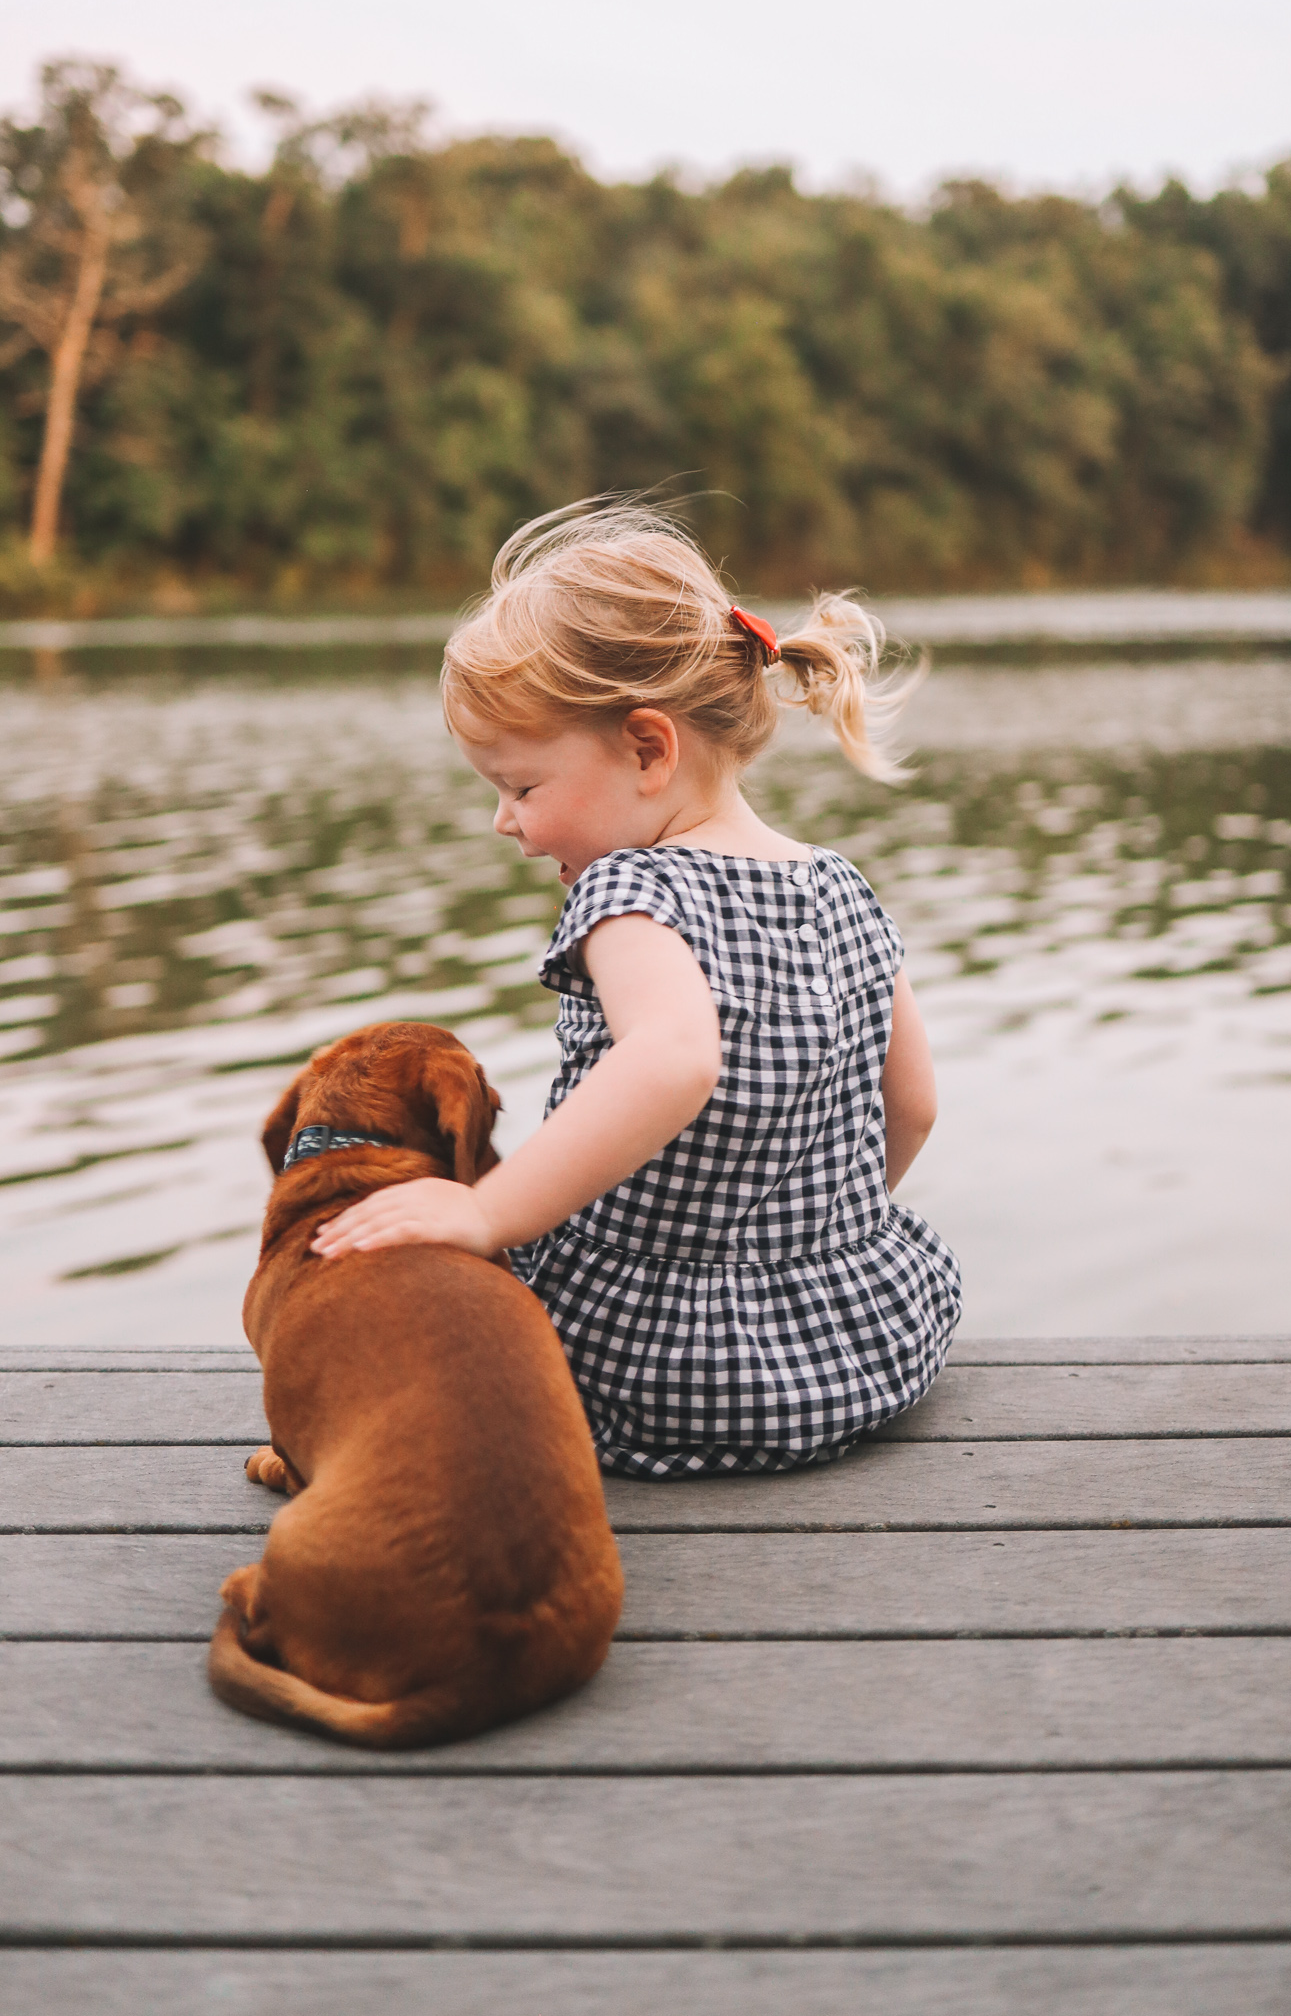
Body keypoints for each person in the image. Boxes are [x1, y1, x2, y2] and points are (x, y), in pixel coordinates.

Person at [313, 501, 961, 1476]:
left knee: (405, 1305)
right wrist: (817, 1259)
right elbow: (912, 1106)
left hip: (658, 1368)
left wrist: (490, 1215)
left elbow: (674, 1059)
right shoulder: (841, 884)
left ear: (649, 750)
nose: (504, 821)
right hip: (867, 1343)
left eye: (522, 787)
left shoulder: (633, 889)